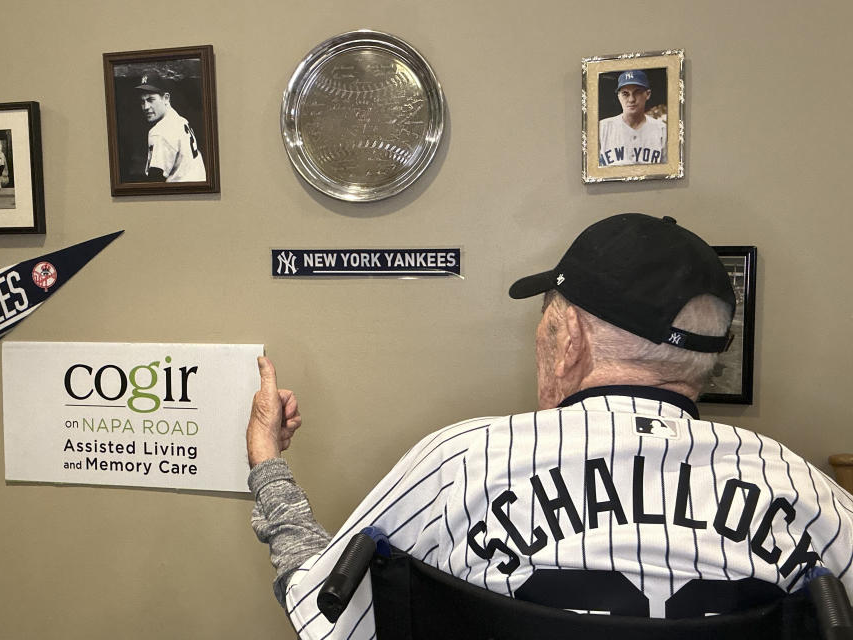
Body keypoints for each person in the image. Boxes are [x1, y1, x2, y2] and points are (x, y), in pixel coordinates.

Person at [247, 213, 853, 638]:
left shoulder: (458, 463)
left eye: (547, 320)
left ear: (571, 344)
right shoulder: (808, 493)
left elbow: (320, 606)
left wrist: (268, 465)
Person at [134, 74, 206, 182]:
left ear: (166, 98)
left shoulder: (159, 132)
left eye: (150, 100)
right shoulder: (181, 120)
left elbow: (155, 181)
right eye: (142, 101)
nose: (146, 107)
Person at [598, 70, 667, 167]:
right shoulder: (601, 128)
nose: (631, 99)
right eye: (625, 94)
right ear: (618, 96)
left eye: (637, 92)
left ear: (648, 94)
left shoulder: (663, 130)